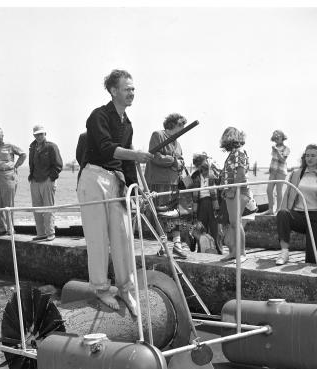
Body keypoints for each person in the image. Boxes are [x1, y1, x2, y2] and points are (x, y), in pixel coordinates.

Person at [78, 69, 153, 313]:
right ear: (113, 91)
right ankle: (100, 289)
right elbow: (106, 147)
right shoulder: (98, 116)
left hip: (115, 180)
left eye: (133, 88)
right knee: (98, 237)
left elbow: (127, 163)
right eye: (127, 88)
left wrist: (137, 188)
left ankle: (125, 288)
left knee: (123, 235)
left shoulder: (127, 123)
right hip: (93, 178)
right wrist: (135, 154)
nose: (132, 92)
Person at [275, 144, 317, 265]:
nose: (309, 158)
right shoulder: (296, 173)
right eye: (307, 155)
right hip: (299, 215)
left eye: (313, 155)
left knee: (313, 261)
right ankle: (284, 252)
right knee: (283, 213)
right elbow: (287, 195)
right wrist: (281, 210)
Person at [145, 113, 189, 259]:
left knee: (175, 213)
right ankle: (167, 245)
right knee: (162, 214)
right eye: (180, 125)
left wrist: (180, 163)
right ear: (172, 125)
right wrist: (173, 161)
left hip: (174, 183)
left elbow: (181, 160)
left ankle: (175, 244)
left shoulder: (178, 143)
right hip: (160, 183)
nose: (182, 129)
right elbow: (154, 156)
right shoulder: (158, 135)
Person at [219, 126, 251, 263]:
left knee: (235, 222)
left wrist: (232, 190)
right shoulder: (233, 154)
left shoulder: (239, 153)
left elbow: (241, 174)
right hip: (231, 192)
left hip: (239, 191)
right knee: (233, 223)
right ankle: (233, 252)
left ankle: (242, 253)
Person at [0, 127, 26, 236]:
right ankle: (2, 228)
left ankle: (10, 229)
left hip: (8, 175)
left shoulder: (10, 146)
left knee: (8, 203)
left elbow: (23, 154)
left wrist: (16, 165)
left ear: (2, 135)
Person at [28, 124, 63, 242]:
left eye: (40, 134)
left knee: (48, 208)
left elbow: (58, 165)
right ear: (34, 135)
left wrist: (51, 178)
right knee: (37, 209)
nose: (38, 136)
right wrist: (31, 178)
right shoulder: (32, 147)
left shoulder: (52, 147)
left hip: (47, 181)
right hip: (35, 181)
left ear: (45, 134)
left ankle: (50, 233)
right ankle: (41, 233)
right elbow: (31, 164)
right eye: (36, 134)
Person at [190, 152, 222, 253]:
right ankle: (201, 251)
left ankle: (219, 251)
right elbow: (183, 185)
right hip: (200, 204)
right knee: (201, 229)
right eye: (198, 166)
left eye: (202, 163)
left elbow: (222, 184)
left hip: (214, 204)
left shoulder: (215, 172)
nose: (201, 167)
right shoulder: (195, 175)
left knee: (215, 230)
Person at [264, 130, 290, 215]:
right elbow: (274, 160)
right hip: (273, 171)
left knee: (279, 191)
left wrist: (277, 151)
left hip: (281, 172)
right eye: (275, 137)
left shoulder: (286, 149)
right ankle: (271, 209)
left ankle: (278, 210)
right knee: (269, 190)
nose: (276, 138)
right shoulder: (274, 147)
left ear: (282, 137)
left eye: (278, 137)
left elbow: (282, 160)